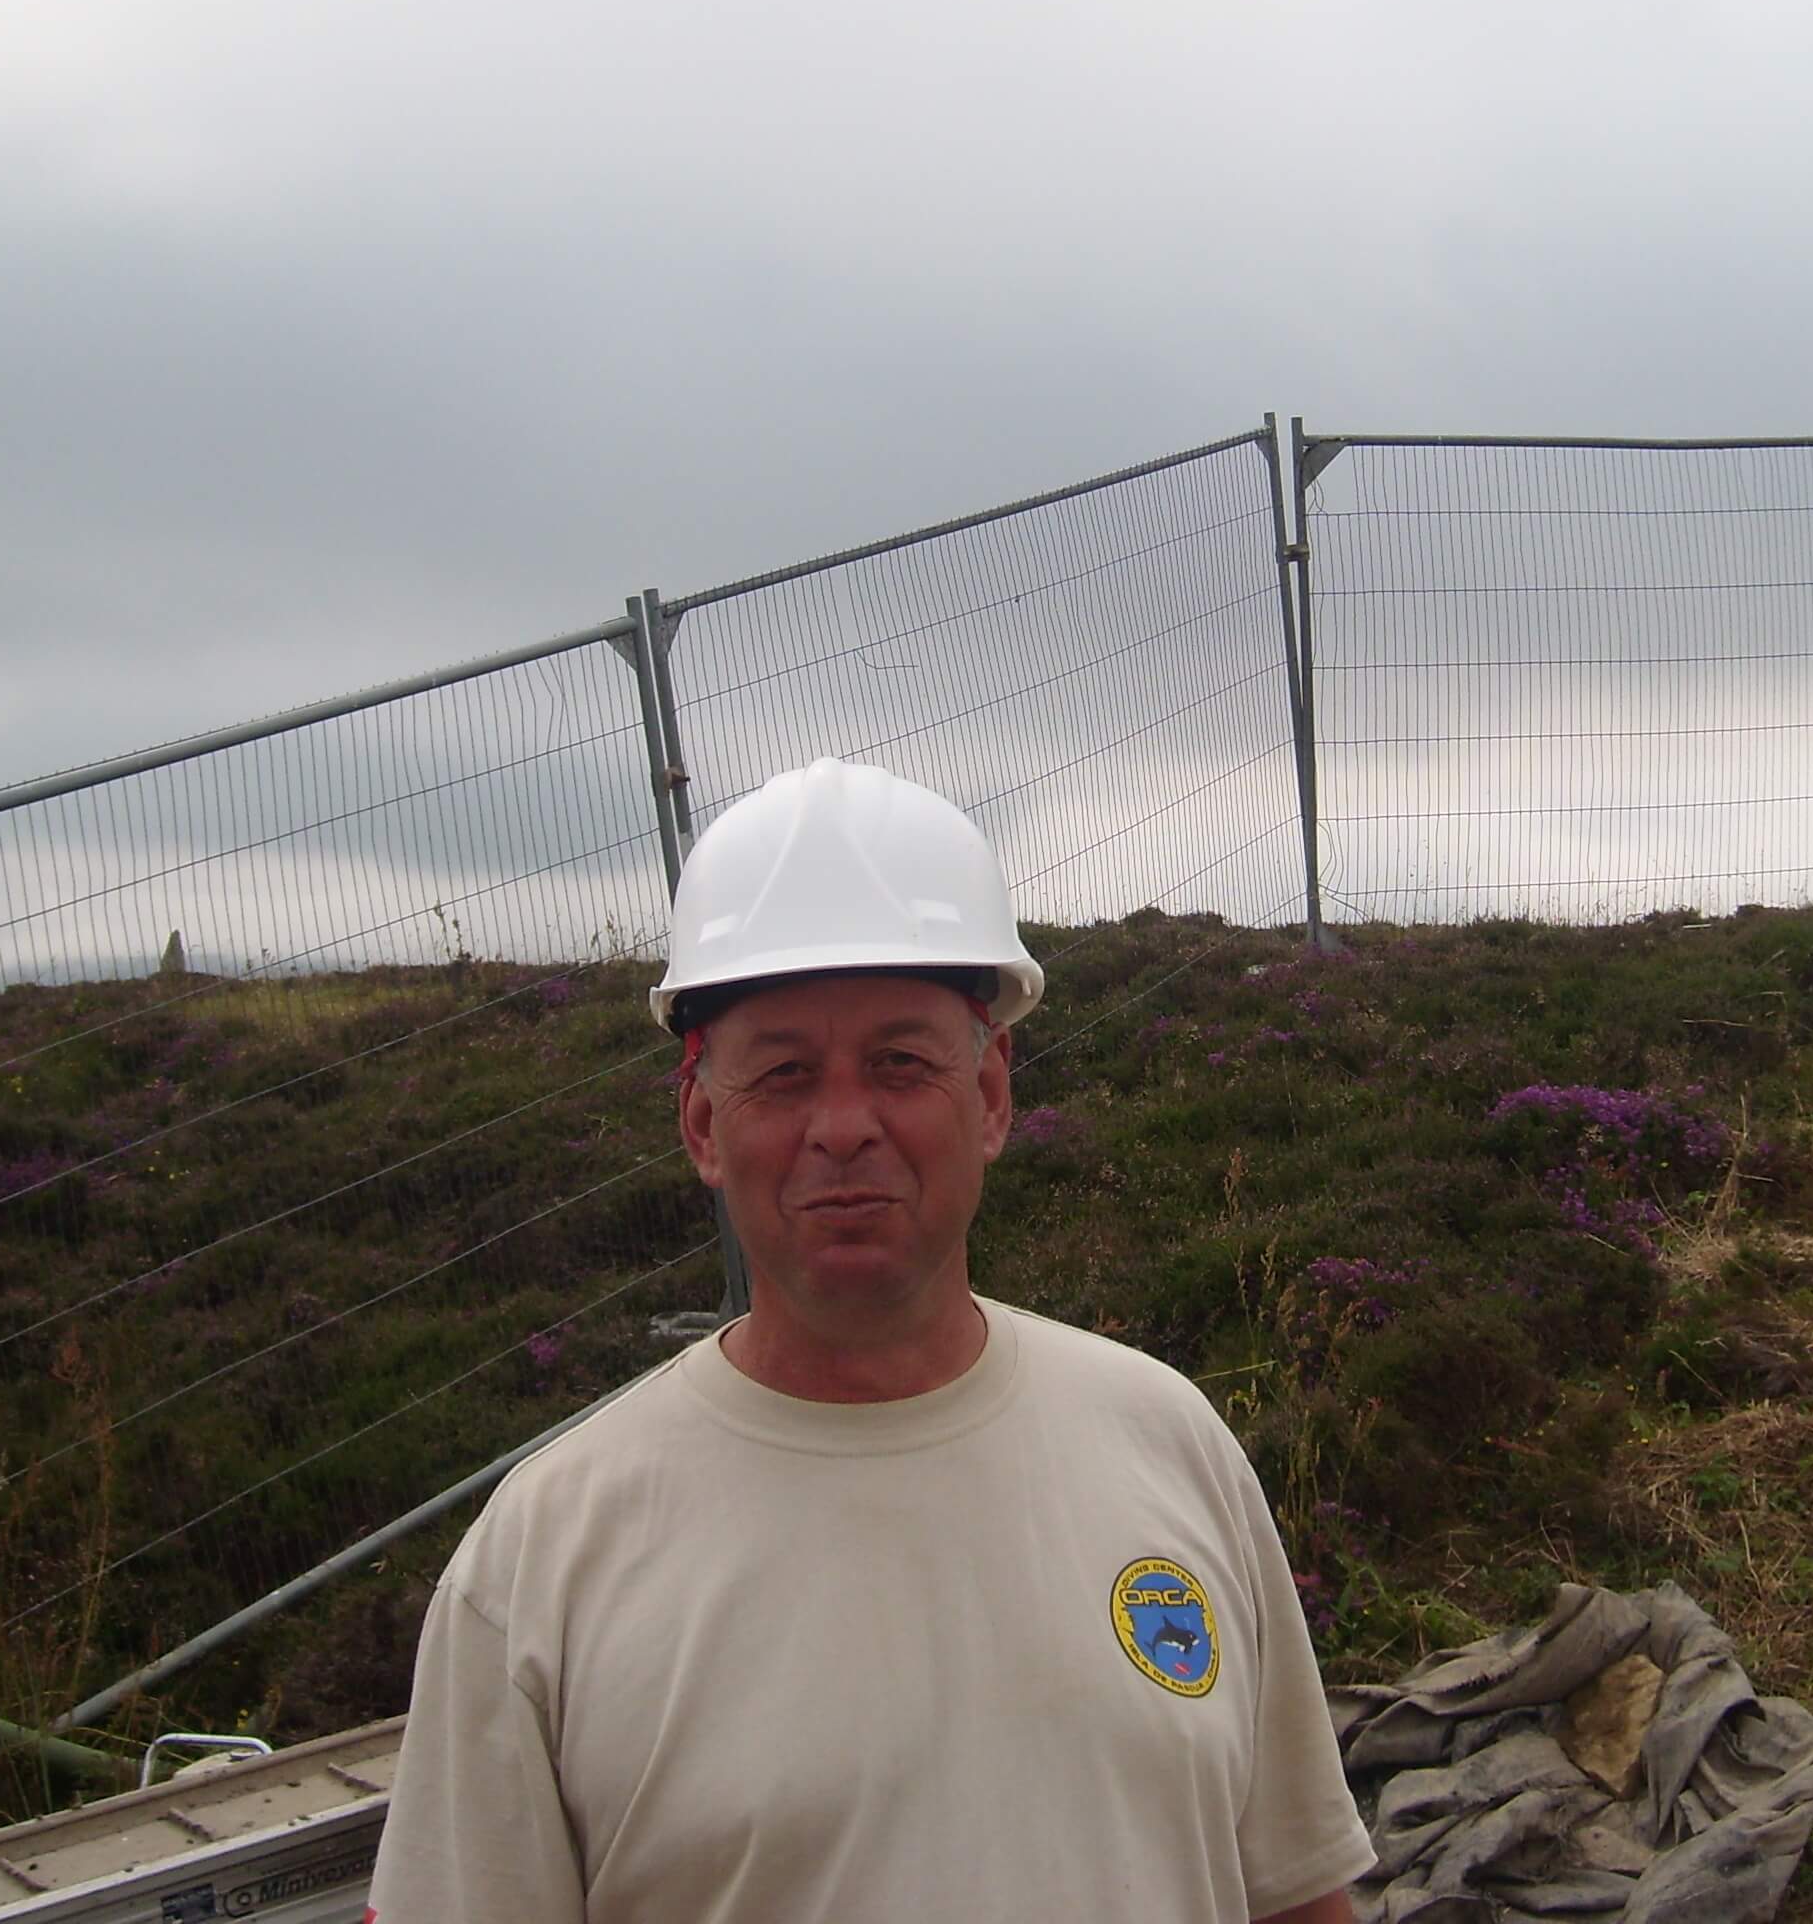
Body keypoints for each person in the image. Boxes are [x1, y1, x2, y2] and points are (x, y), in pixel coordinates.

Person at [368, 758, 1373, 1924]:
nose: (843, 1127)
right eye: (785, 1074)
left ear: (992, 1093)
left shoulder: (1171, 1443)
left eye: (900, 1062)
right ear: (702, 1121)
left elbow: (1295, 1896)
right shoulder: (542, 1563)